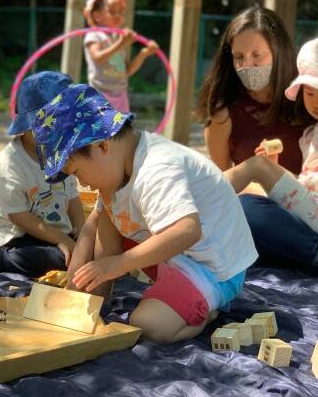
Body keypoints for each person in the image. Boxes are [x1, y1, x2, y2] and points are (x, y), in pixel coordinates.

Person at [32, 84, 258, 344]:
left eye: (77, 172)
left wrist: (118, 265)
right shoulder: (114, 172)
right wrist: (77, 299)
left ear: (102, 146)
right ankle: (176, 296)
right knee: (99, 217)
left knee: (148, 325)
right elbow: (101, 239)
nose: (82, 184)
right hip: (173, 254)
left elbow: (187, 230)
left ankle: (206, 311)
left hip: (211, 267)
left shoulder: (156, 167)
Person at [227, 37, 318, 274]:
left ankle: (200, 192)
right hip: (317, 210)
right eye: (310, 94)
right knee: (248, 202)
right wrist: (276, 168)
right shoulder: (316, 130)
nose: (317, 104)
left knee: (256, 167)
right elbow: (308, 184)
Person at [0, 72, 85, 278]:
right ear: (27, 127)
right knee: (55, 259)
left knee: (91, 250)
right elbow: (19, 216)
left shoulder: (61, 156)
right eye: (46, 128)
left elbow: (73, 198)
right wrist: (61, 239)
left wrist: (81, 230)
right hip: (21, 238)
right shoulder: (8, 164)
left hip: (59, 233)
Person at [196, 6, 308, 175]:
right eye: (239, 57)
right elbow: (223, 182)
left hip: (312, 197)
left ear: (279, 52)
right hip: (253, 199)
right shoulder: (223, 113)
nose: (247, 65)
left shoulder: (308, 95)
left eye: (257, 55)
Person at [82, 0, 158, 112]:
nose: (118, 16)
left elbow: (126, 71)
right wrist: (121, 43)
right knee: (102, 129)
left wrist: (144, 54)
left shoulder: (117, 37)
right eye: (112, 12)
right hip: (100, 95)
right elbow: (98, 58)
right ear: (97, 16)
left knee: (122, 130)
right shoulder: (94, 35)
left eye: (121, 12)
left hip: (120, 95)